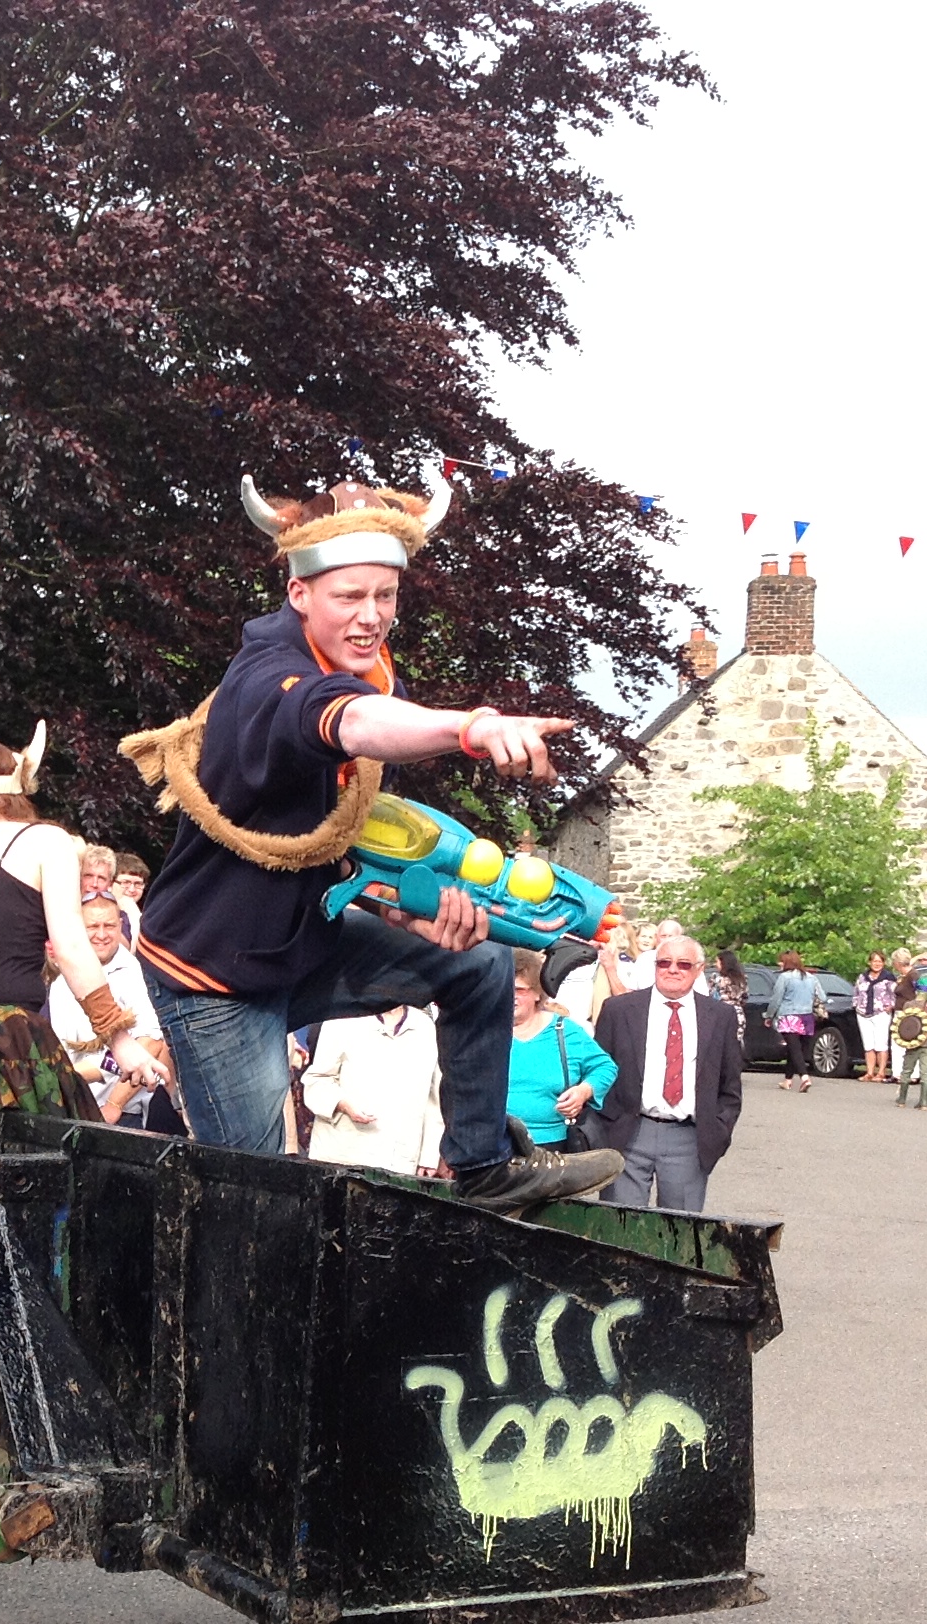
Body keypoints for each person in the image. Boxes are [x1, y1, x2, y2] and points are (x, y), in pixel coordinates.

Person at [119, 469, 621, 1209]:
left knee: (480, 964)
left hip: (302, 940)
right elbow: (352, 722)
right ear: (299, 593)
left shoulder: (370, 670)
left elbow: (346, 840)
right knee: (255, 1194)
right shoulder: (271, 678)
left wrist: (405, 912)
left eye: (385, 596)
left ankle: (483, 1166)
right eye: (349, 596)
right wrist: (473, 727)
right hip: (213, 973)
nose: (371, 616)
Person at [0, 731, 160, 1144]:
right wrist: (120, 1040)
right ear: (19, 781)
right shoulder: (44, 840)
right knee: (45, 1171)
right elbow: (71, 949)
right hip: (10, 1044)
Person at [596, 934, 744, 1214]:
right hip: (628, 1133)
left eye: (683, 964)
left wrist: (719, 1130)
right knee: (620, 1226)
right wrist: (605, 1126)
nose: (673, 970)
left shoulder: (720, 1016)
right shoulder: (619, 1010)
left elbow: (730, 1084)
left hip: (688, 1138)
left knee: (679, 1229)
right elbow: (598, 1071)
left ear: (699, 970)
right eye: (664, 962)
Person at [46, 891, 181, 1131]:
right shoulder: (60, 983)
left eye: (109, 926)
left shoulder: (135, 974)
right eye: (93, 926)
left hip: (125, 1113)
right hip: (77, 1105)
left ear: (120, 925)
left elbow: (151, 1042)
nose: (101, 934)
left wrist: (114, 1104)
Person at [301, 1005, 445, 1177]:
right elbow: (316, 1081)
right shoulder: (342, 1019)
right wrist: (342, 1104)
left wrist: (429, 1156)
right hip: (342, 1160)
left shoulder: (425, 1027)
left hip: (400, 1164)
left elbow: (435, 1099)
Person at [505, 949, 618, 1154]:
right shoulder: (485, 1031)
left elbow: (605, 1067)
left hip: (553, 1146)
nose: (511, 996)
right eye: (504, 988)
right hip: (494, 1144)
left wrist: (584, 1091)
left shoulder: (564, 1031)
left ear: (537, 992)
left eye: (519, 990)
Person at [765, 951, 823, 1094]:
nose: (779, 964)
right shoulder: (811, 977)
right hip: (807, 1017)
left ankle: (804, 1077)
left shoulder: (784, 977)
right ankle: (788, 1079)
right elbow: (822, 996)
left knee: (794, 1048)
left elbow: (776, 999)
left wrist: (769, 1016)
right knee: (795, 1048)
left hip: (789, 1015)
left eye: (781, 961)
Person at [892, 983, 927, 1108]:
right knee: (926, 1072)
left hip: (911, 1042)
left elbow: (904, 1022)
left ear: (916, 991)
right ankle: (923, 1102)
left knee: (907, 1070)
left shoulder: (908, 1005)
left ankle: (901, 1100)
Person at [856, 949, 897, 1084]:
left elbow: (895, 994)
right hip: (863, 1013)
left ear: (883, 963)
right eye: (874, 961)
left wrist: (890, 1006)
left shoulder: (888, 978)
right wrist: (856, 1005)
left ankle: (881, 1072)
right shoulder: (863, 977)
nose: (877, 964)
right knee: (868, 1044)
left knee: (881, 1044)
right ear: (869, 962)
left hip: (881, 1013)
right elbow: (856, 992)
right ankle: (869, 1072)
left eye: (880, 961)